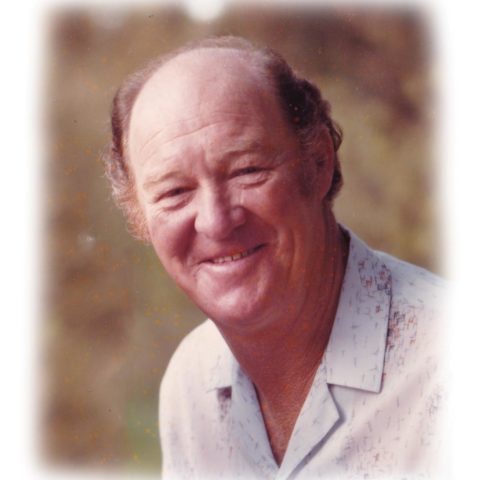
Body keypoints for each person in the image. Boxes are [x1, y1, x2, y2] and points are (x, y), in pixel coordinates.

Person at [103, 36, 446, 479]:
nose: (216, 222)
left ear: (318, 164)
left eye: (247, 170)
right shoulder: (191, 384)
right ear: (138, 217)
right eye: (174, 192)